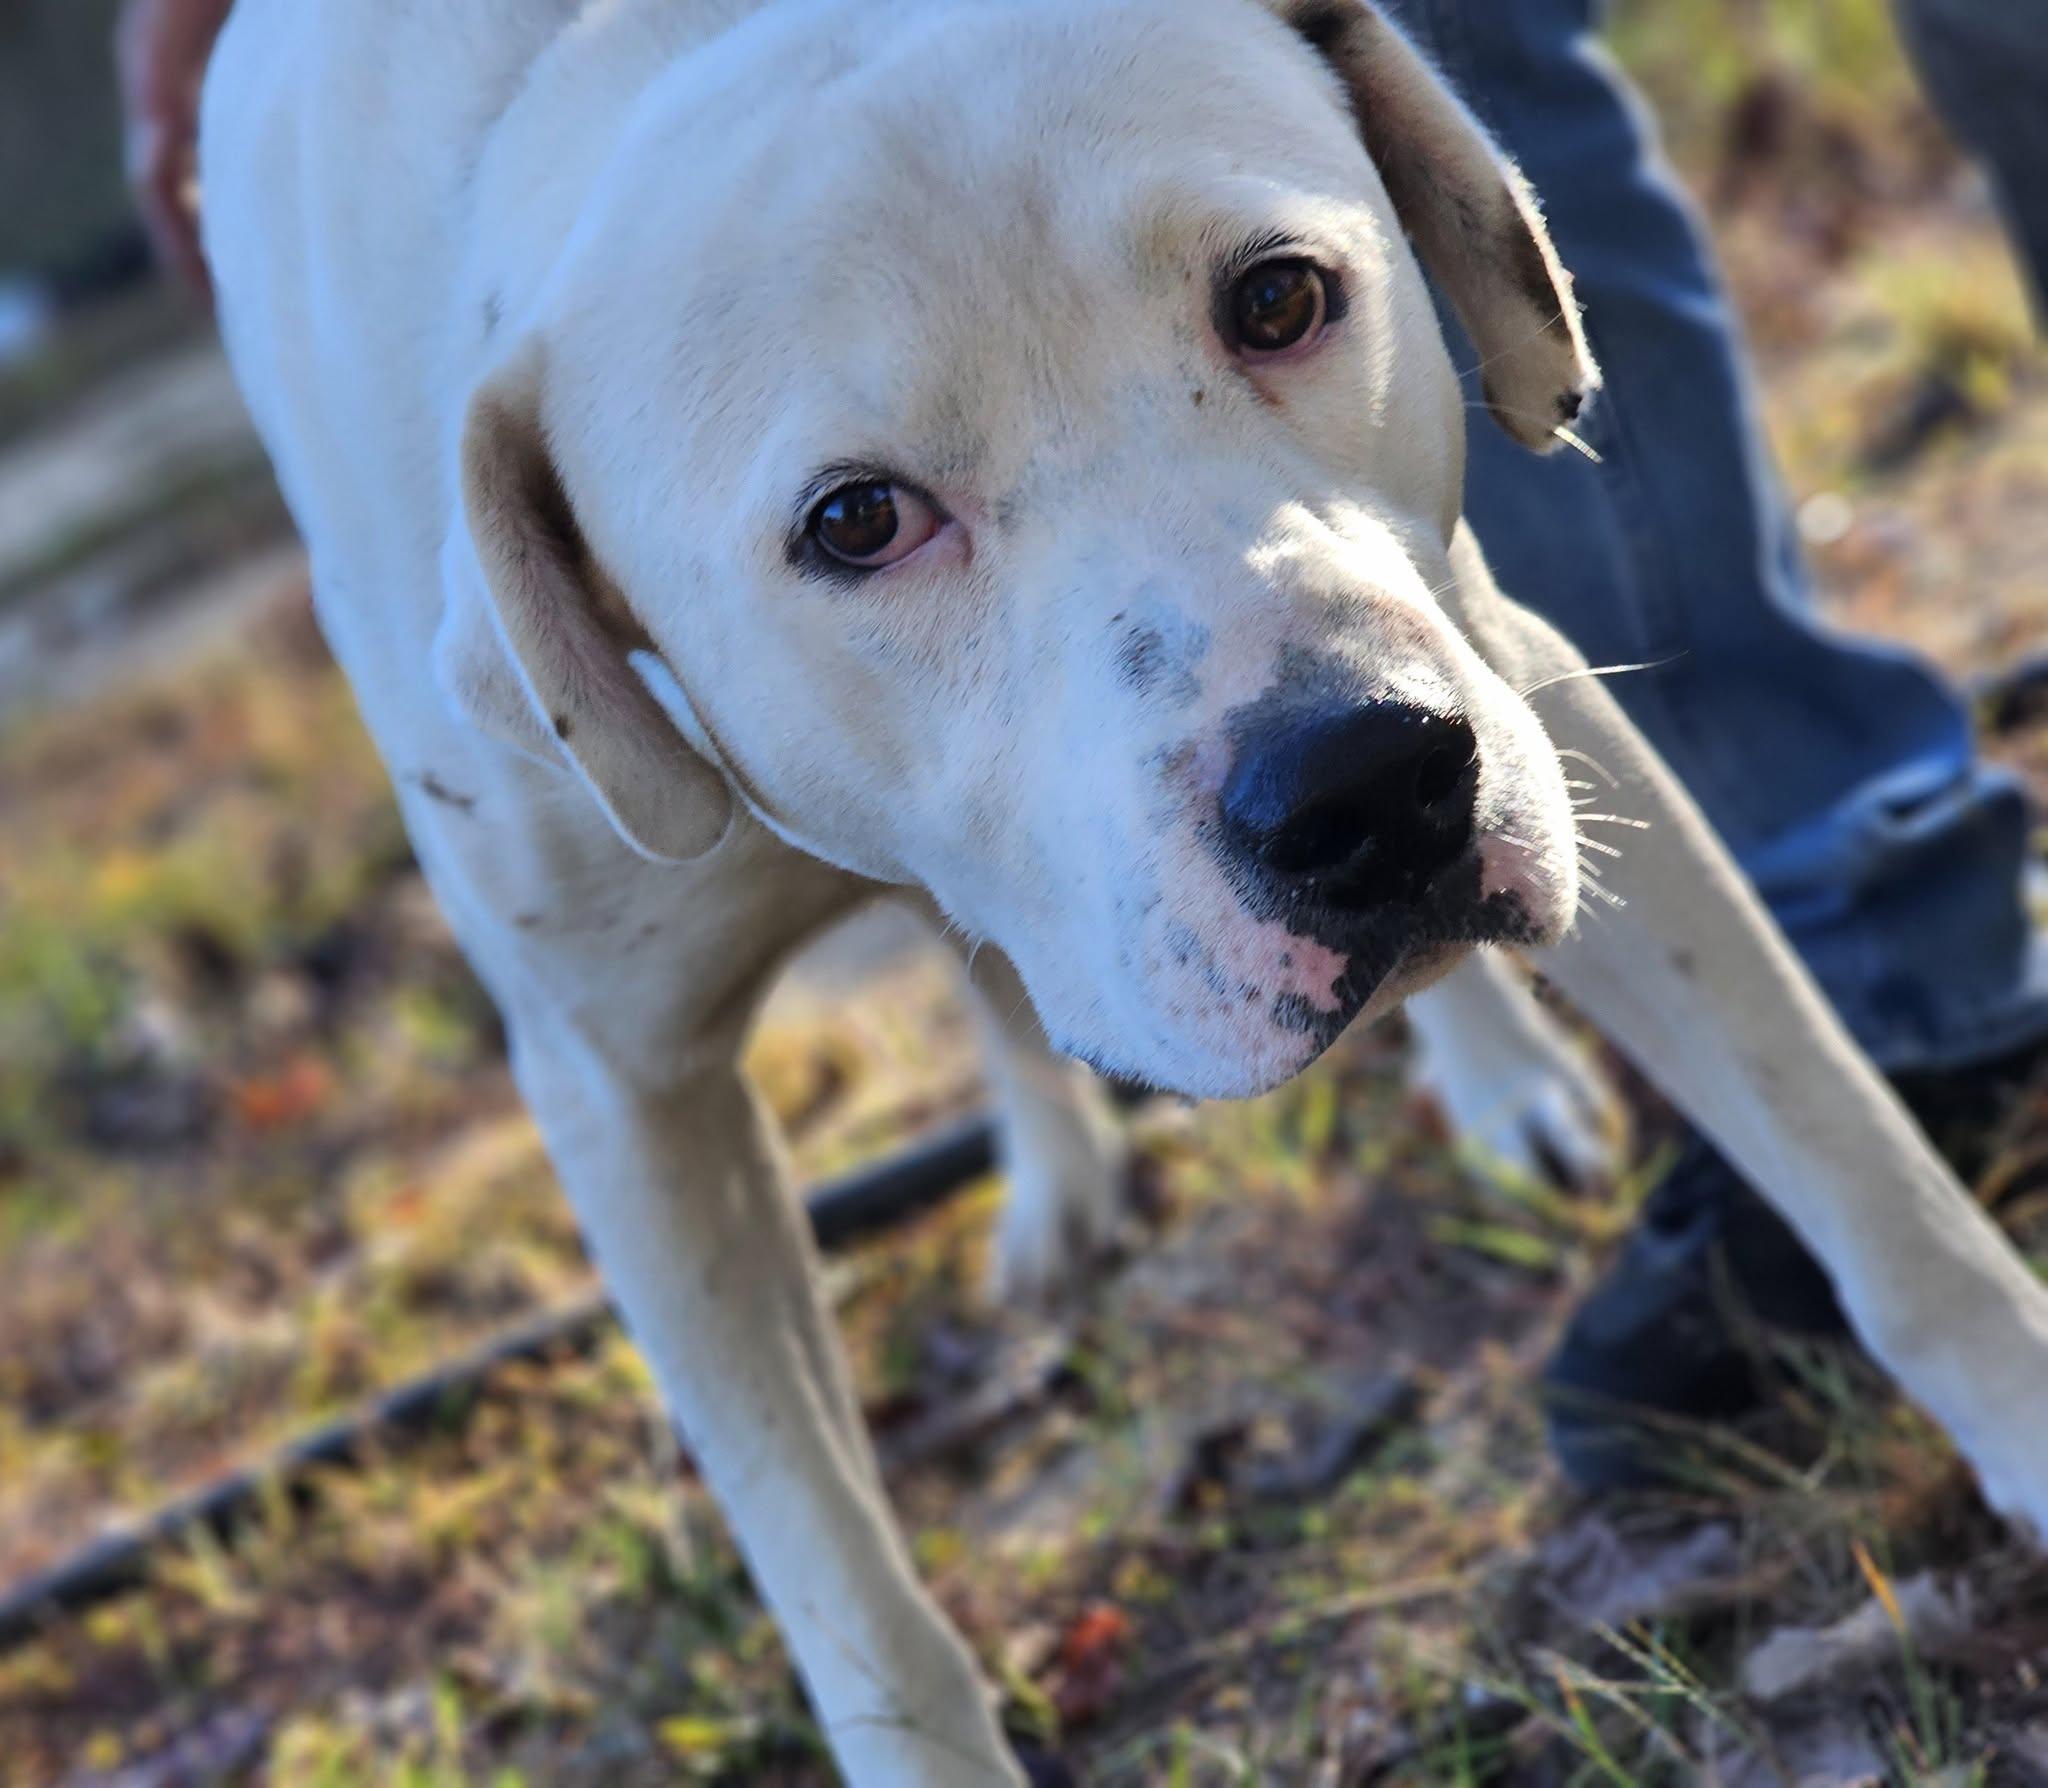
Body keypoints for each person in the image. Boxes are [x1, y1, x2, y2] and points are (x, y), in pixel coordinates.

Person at [117, 0, 2048, 1485]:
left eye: (1279, 300)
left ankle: (1787, 1054)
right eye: (864, 520)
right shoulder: (403, 327)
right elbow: (623, 1057)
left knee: (1382, 599)